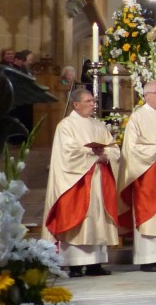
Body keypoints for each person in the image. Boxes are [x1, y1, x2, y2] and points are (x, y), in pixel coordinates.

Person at [42, 88, 119, 277]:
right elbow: (67, 153)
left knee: (97, 219)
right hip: (76, 181)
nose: (93, 104)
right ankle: (74, 264)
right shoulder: (66, 126)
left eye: (93, 101)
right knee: (79, 218)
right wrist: (93, 156)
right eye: (88, 101)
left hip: (98, 179)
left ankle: (96, 264)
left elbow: (114, 148)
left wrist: (106, 156)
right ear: (76, 104)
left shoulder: (98, 125)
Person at [118, 80, 156, 272]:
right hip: (146, 172)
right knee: (148, 214)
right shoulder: (137, 118)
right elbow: (131, 148)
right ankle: (147, 258)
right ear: (146, 95)